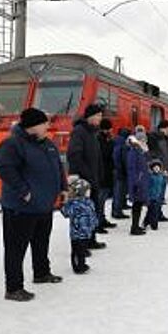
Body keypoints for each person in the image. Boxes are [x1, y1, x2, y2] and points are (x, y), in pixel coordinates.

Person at [0, 108, 66, 302]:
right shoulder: (12, 144)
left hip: (43, 205)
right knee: (15, 248)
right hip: (21, 207)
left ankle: (41, 273)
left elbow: (58, 167)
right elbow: (5, 170)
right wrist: (24, 192)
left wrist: (63, 187)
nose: (48, 126)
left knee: (41, 241)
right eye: (44, 123)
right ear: (33, 126)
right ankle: (13, 288)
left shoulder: (47, 144)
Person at [67, 104, 106, 248]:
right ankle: (82, 246)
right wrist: (86, 176)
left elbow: (97, 156)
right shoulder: (79, 132)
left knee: (92, 210)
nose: (100, 118)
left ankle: (91, 240)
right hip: (83, 183)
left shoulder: (93, 133)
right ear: (90, 116)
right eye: (98, 116)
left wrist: (99, 173)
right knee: (82, 214)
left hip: (93, 179)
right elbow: (74, 155)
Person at [60, 176, 98, 274]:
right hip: (85, 232)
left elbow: (66, 213)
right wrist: (93, 226)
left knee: (77, 251)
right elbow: (93, 215)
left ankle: (79, 265)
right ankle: (80, 265)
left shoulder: (74, 204)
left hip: (76, 233)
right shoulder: (89, 203)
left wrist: (64, 204)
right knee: (81, 250)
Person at [126, 125, 150, 235]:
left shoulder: (141, 151)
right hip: (137, 183)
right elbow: (131, 169)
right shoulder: (134, 152)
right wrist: (136, 182)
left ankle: (136, 226)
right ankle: (134, 227)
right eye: (143, 140)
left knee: (139, 205)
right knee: (137, 205)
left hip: (141, 182)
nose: (145, 142)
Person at [148, 120, 168, 201]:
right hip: (159, 164)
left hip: (167, 163)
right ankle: (158, 199)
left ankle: (161, 198)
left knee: (164, 182)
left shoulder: (167, 138)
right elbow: (154, 151)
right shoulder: (155, 136)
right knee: (159, 183)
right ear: (163, 129)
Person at [97, 118, 117, 229]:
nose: (111, 131)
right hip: (102, 174)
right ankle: (99, 222)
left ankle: (102, 219)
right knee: (100, 199)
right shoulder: (100, 140)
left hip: (107, 173)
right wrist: (111, 143)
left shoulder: (105, 139)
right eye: (110, 129)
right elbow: (105, 154)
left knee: (103, 199)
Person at [112, 127, 131, 218]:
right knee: (119, 192)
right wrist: (126, 170)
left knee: (119, 191)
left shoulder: (117, 141)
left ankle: (118, 208)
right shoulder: (123, 144)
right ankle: (117, 211)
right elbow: (124, 159)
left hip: (117, 170)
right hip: (120, 171)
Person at [143, 160, 166, 230]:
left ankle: (146, 222)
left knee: (151, 211)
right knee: (153, 211)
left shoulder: (161, 176)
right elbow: (147, 187)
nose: (157, 169)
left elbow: (162, 185)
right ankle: (154, 225)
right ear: (152, 169)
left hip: (157, 197)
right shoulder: (150, 177)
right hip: (151, 197)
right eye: (155, 168)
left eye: (158, 168)